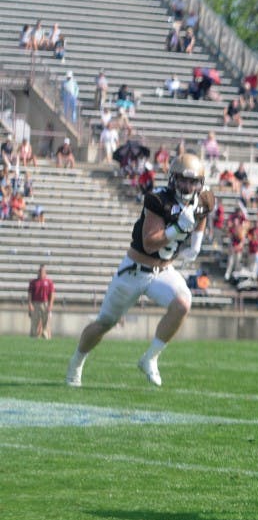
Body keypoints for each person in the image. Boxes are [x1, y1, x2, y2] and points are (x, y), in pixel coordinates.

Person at [65, 153, 215, 388]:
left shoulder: (203, 199)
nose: (188, 186)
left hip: (163, 271)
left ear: (200, 183)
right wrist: (176, 229)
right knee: (105, 322)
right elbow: (149, 243)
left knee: (183, 303)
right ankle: (77, 362)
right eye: (183, 180)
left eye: (193, 181)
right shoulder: (158, 200)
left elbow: (202, 214)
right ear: (172, 179)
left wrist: (196, 243)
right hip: (134, 270)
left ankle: (150, 358)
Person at [28, 265, 55, 339]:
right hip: (35, 303)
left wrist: (50, 305)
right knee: (34, 321)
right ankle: (34, 337)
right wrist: (30, 304)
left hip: (45, 303)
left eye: (42, 272)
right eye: (40, 271)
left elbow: (52, 294)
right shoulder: (33, 282)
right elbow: (30, 294)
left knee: (45, 321)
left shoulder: (49, 282)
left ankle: (45, 336)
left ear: (45, 273)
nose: (41, 273)